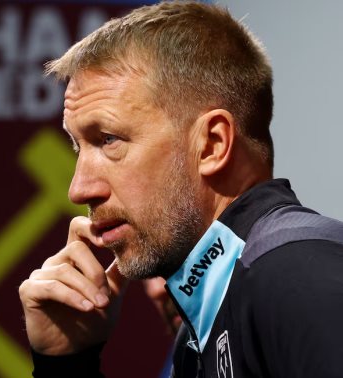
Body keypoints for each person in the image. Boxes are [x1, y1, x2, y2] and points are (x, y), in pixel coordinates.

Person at [18, 2, 343, 377]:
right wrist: (67, 364)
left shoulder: (299, 280)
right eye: (79, 147)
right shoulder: (202, 326)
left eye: (108, 140)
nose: (79, 189)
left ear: (212, 145)